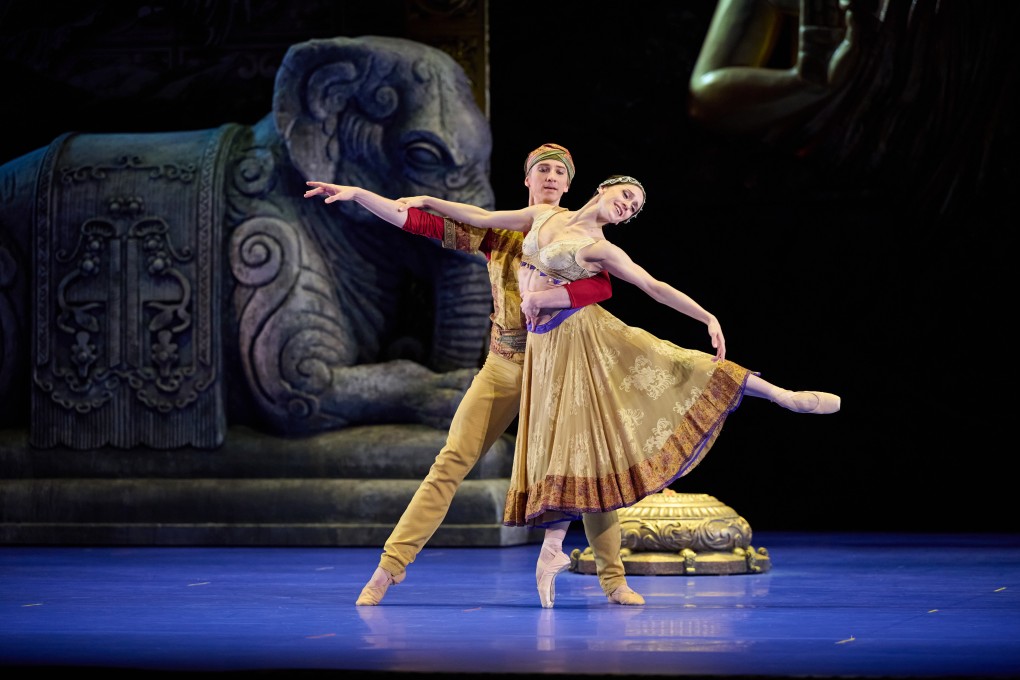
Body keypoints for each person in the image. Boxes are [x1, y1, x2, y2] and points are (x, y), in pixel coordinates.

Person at [384, 174, 840, 608]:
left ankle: (781, 395)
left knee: (663, 372)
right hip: (527, 355)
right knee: (546, 452)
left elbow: (645, 286)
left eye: (633, 208)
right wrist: (422, 200)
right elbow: (471, 218)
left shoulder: (602, 248)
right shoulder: (535, 219)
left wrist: (707, 316)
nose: (627, 206)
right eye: (625, 196)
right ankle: (514, 556)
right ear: (603, 188)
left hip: (579, 342)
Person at [304, 145, 646, 608]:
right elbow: (419, 222)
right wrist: (361, 195)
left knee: (588, 467)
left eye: (559, 172)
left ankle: (613, 579)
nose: (550, 176)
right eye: (542, 169)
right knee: (451, 462)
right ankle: (390, 567)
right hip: (506, 363)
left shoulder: (585, 237)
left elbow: (602, 286)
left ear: (569, 185)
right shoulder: (500, 233)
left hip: (559, 368)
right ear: (527, 179)